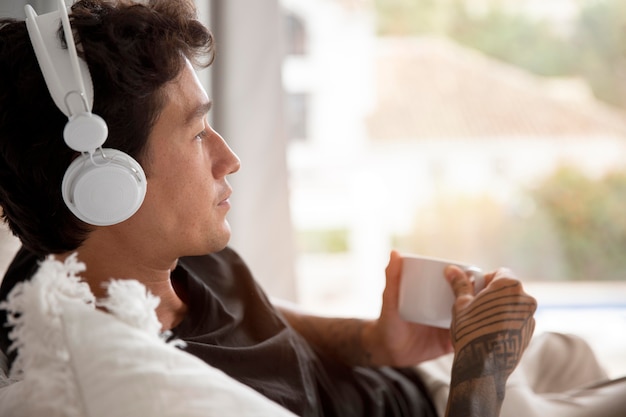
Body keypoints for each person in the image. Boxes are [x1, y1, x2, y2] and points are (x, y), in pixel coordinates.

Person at [0, 1, 617, 416]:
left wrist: (374, 341)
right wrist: (481, 370)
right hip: (461, 402)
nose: (229, 158)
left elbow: (245, 322)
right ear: (109, 183)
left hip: (416, 384)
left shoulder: (150, 257)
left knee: (578, 354)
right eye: (195, 134)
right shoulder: (127, 374)